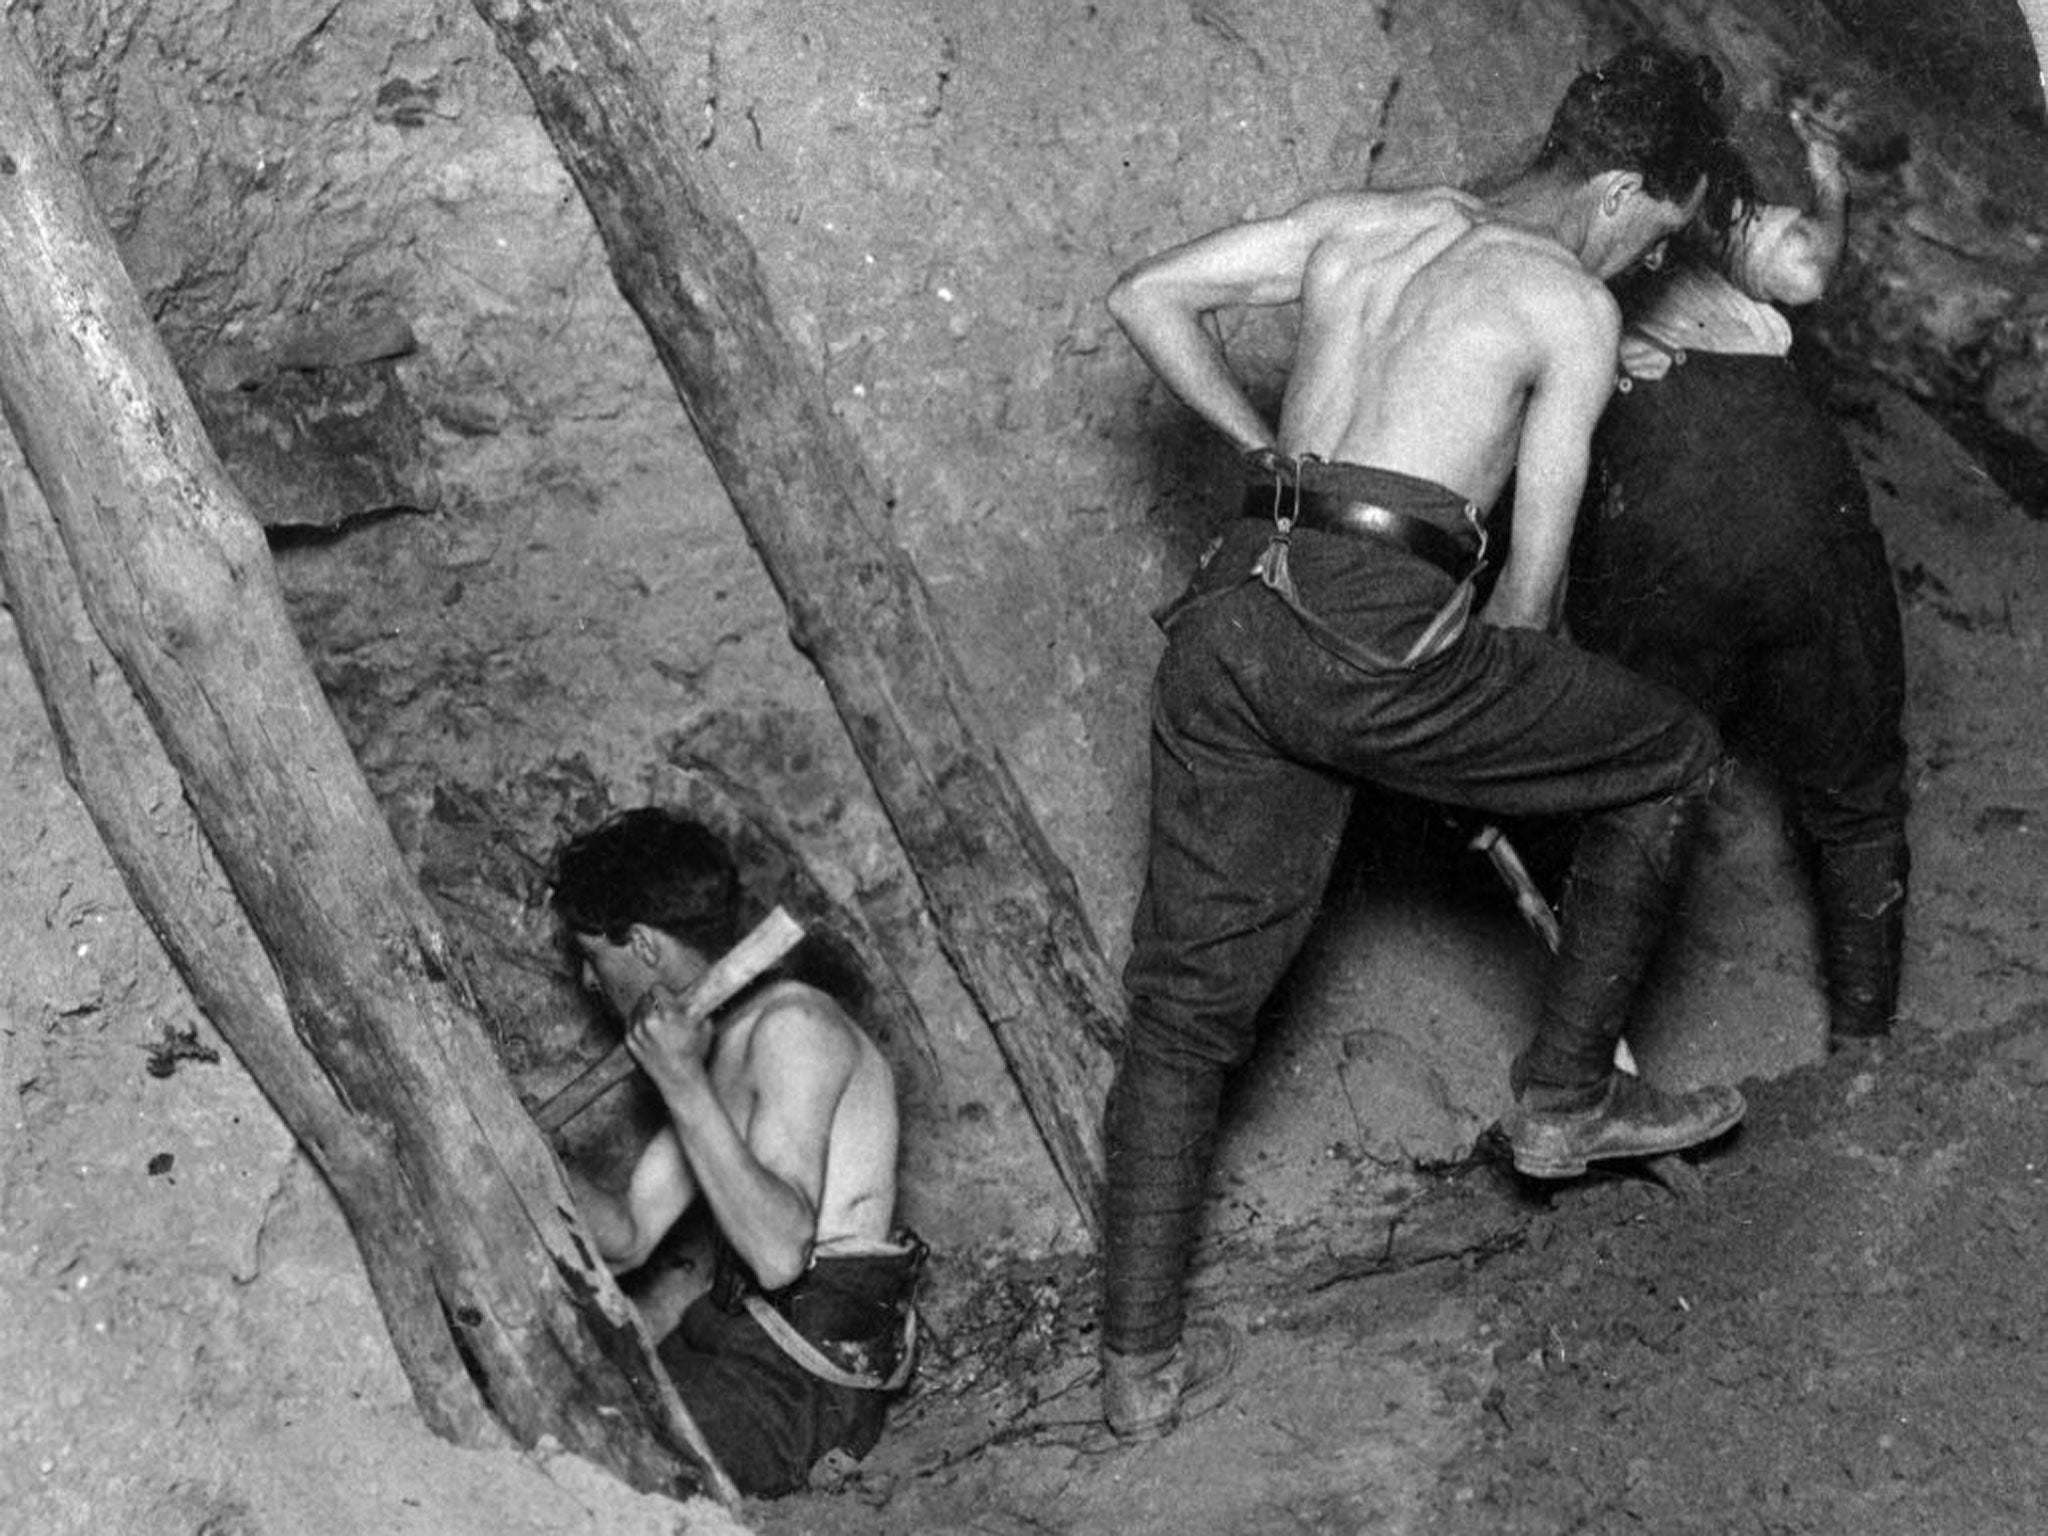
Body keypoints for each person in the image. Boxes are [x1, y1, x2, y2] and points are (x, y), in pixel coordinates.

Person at [1098, 42, 1750, 1441]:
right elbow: (1527, 606)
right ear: (1625, 188)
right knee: (1675, 755)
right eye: (1659, 232)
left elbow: (1145, 297)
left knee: (1185, 1010)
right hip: (1377, 636)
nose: (1645, 262)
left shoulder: (1372, 222)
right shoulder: (1561, 301)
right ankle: (1568, 1101)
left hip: (1232, 612)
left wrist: (1268, 456)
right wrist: (1487, 747)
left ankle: (1135, 1372)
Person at [1569, 103, 1908, 1052]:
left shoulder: (1551, 233)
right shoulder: (1702, 204)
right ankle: (1866, 1048)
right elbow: (1805, 266)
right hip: (1792, 487)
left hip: (1663, 509)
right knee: (1856, 783)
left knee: (1637, 780)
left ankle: (1579, 1071)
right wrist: (1828, 182)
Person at [549, 808, 922, 1497]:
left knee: (587, 1463)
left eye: (593, 956)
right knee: (559, 1413)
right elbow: (629, 1238)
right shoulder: (713, 1044)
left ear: (643, 946)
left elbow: (781, 1253)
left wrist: (683, 1083)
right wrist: (526, 1151)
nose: (589, 982)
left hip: (804, 1377)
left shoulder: (794, 1028)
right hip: (733, 1338)